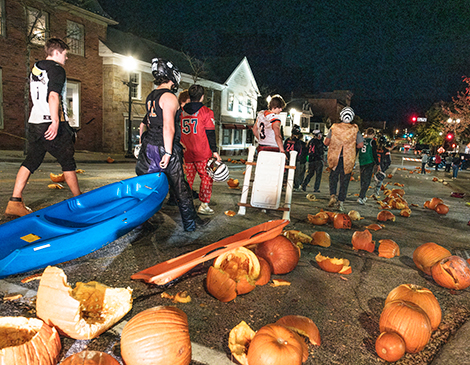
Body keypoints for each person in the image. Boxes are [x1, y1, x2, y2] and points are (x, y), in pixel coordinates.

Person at [5, 38, 81, 217]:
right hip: (50, 122)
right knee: (67, 161)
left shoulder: (36, 69)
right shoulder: (57, 69)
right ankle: (80, 201)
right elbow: (53, 96)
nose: (66, 58)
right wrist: (55, 121)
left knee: (32, 160)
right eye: (65, 54)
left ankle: (14, 202)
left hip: (35, 121)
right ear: (56, 52)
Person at [142, 58, 202, 232]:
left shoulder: (150, 96)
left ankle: (142, 223)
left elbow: (147, 122)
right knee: (180, 189)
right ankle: (190, 225)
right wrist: (168, 153)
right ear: (171, 76)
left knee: (147, 187)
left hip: (149, 145)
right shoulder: (169, 97)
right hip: (163, 146)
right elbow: (168, 127)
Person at [180, 84, 221, 215]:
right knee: (206, 178)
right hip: (203, 153)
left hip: (186, 153)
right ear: (202, 97)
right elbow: (210, 133)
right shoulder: (207, 112)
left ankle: (185, 205)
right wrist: (215, 151)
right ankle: (203, 205)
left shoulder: (180, 112)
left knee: (187, 180)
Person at [324, 106, 364, 212]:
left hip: (334, 158)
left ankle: (332, 195)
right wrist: (351, 144)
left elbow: (326, 142)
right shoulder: (355, 129)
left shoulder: (334, 127)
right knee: (344, 181)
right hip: (347, 159)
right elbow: (360, 144)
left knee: (333, 177)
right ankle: (341, 202)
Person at [357, 128, 379, 204]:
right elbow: (374, 153)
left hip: (361, 161)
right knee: (367, 180)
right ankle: (361, 196)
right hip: (369, 161)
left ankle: (363, 195)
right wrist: (377, 163)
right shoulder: (372, 142)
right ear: (373, 134)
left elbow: (357, 149)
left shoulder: (361, 140)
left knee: (363, 179)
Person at [284, 126, 307, 191]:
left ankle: (286, 184)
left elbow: (284, 148)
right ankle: (296, 186)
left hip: (287, 157)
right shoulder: (298, 142)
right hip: (295, 159)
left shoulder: (287, 140)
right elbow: (299, 151)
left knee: (287, 172)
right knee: (296, 173)